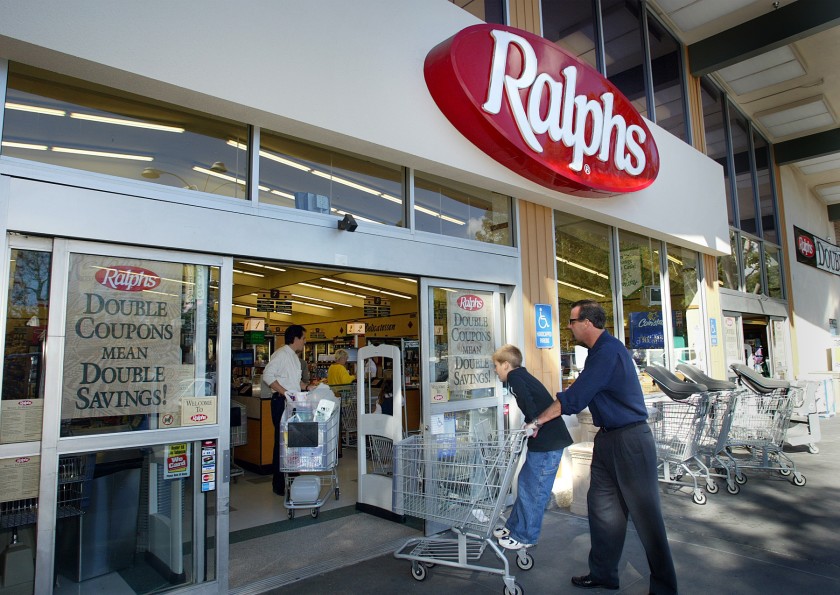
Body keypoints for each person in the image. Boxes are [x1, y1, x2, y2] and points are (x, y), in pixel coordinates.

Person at [529, 300, 677, 594]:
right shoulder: (598, 353)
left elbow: (577, 396)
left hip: (630, 441)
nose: (569, 327)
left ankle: (665, 587)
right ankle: (604, 573)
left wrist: (538, 421)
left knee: (647, 518)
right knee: (602, 510)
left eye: (571, 321)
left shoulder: (607, 352)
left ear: (587, 323)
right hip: (609, 439)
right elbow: (581, 392)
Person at [490, 344, 573, 551]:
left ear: (506, 365)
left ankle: (525, 535)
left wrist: (534, 423)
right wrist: (531, 422)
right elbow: (532, 403)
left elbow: (530, 402)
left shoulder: (516, 379)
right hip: (545, 441)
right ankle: (513, 527)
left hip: (548, 442)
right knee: (526, 484)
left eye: (496, 366)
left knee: (534, 490)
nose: (495, 370)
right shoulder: (521, 375)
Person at [261, 324, 316, 496]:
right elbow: (267, 376)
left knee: (293, 442)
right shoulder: (282, 354)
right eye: (304, 338)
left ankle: (293, 477)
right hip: (281, 403)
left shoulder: (294, 357)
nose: (305, 342)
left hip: (292, 403)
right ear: (296, 338)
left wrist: (306, 387)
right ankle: (278, 484)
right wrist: (286, 393)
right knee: (282, 442)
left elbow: (293, 381)